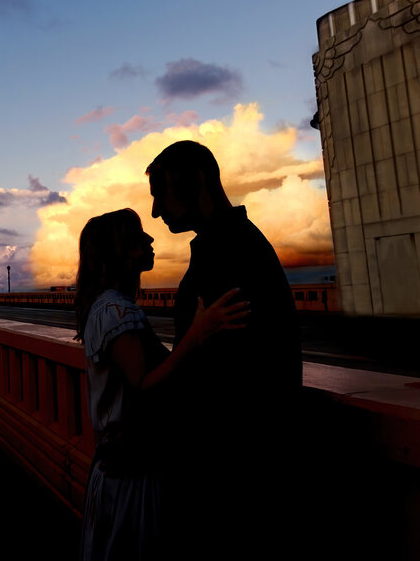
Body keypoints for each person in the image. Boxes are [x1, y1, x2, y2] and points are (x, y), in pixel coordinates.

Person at [145, 139, 302, 553]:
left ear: (195, 179)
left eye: (160, 193)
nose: (156, 211)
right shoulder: (232, 245)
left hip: (230, 478)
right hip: (232, 471)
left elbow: (232, 375)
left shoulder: (229, 253)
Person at [75, 208, 249, 561]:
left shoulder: (107, 307)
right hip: (132, 479)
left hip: (122, 470)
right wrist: (197, 335)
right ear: (117, 252)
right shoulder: (115, 311)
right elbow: (145, 386)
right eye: (137, 238)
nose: (150, 240)